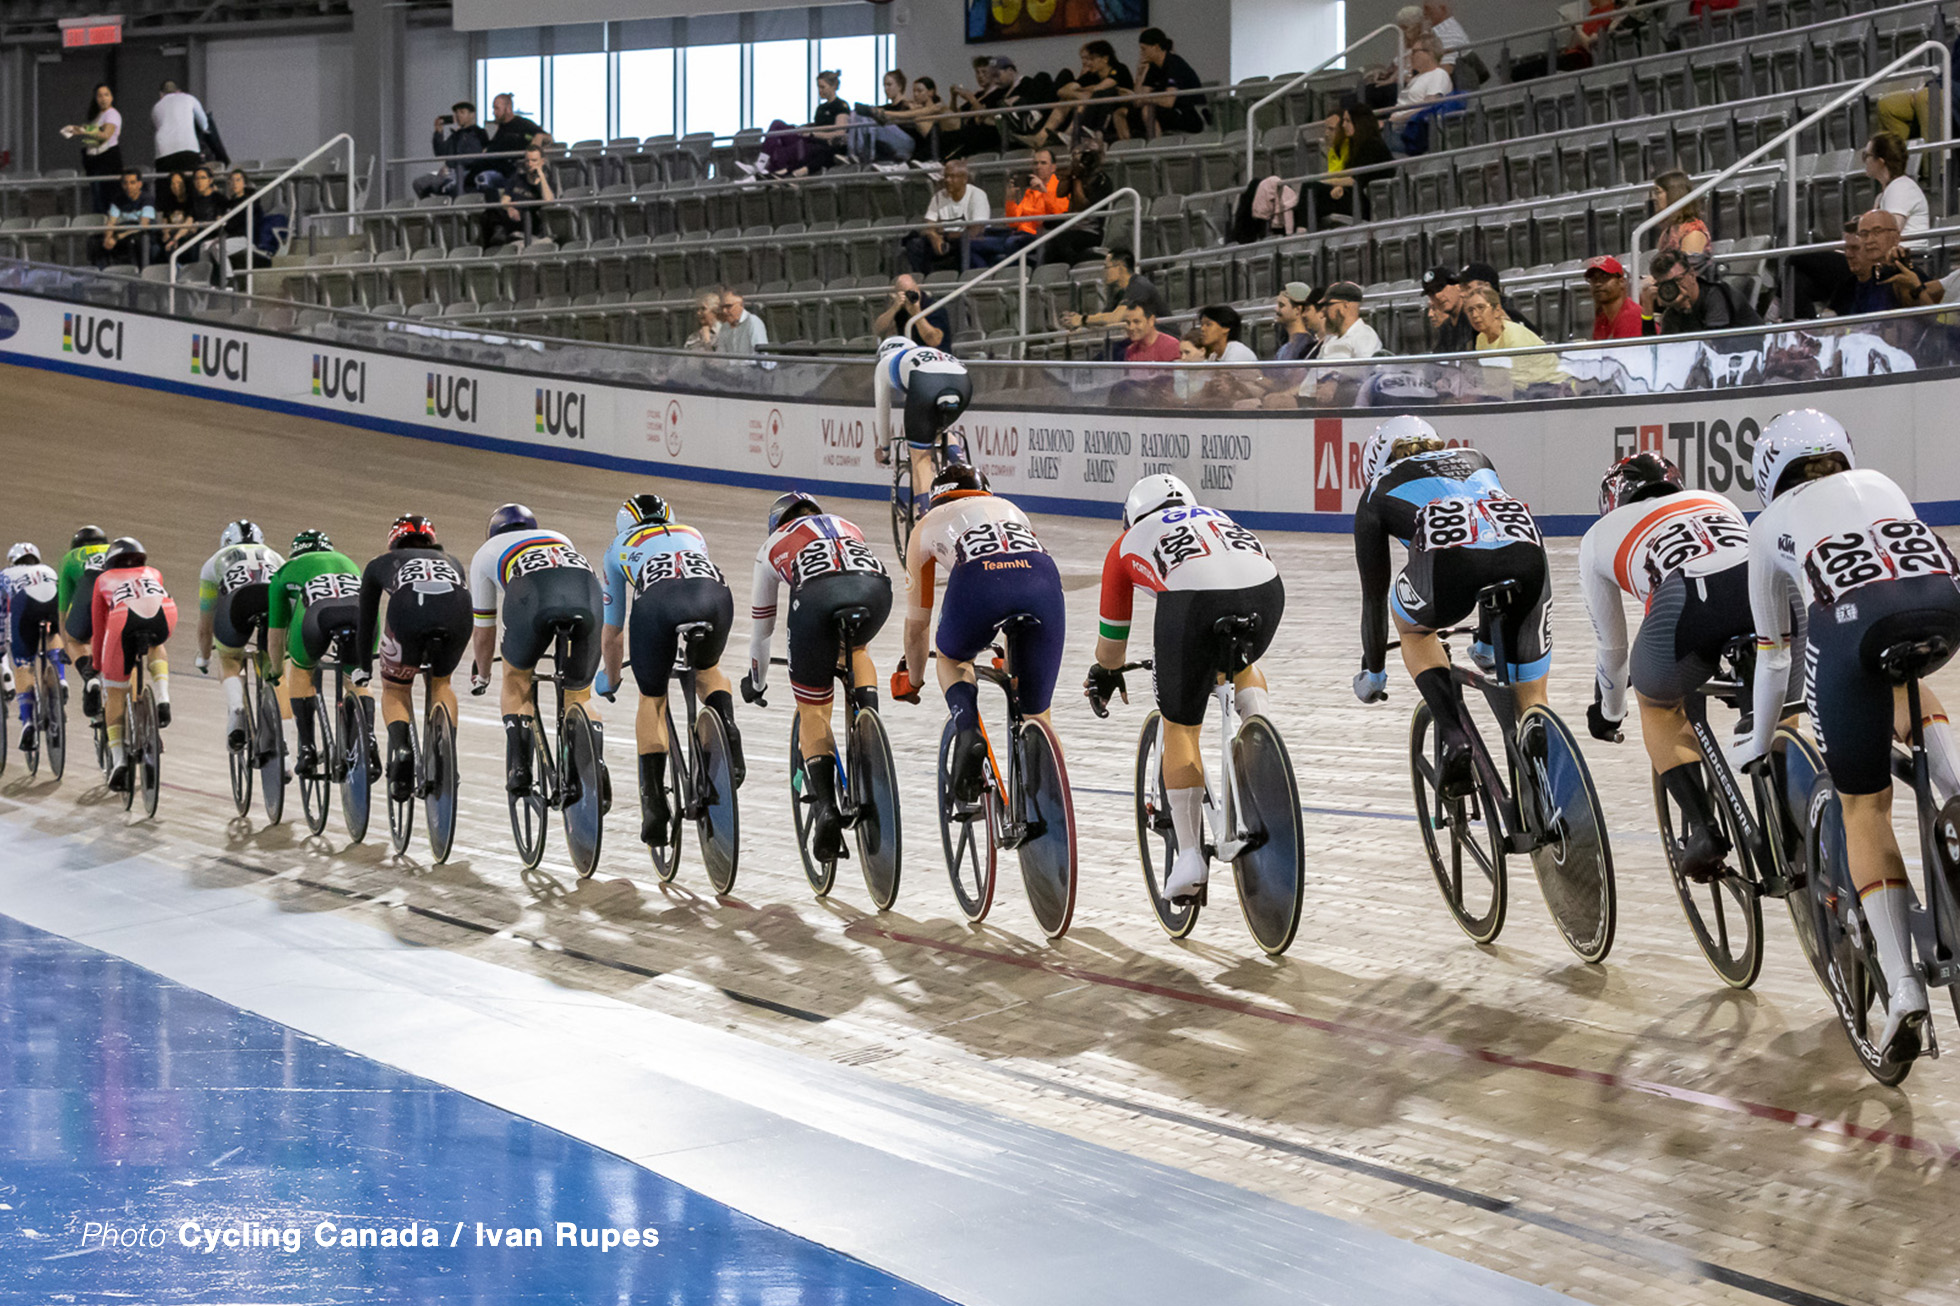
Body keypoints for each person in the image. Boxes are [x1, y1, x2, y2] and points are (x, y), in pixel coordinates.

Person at [1738, 409, 1960, 1065]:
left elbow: (1774, 657)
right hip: (1942, 603)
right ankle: (1955, 789)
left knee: (1865, 806)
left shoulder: (1768, 526)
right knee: (1907, 679)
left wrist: (1757, 744)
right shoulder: (1881, 482)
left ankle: (1902, 991)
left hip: (1851, 630)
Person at [1085, 474, 1283, 900]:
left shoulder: (1126, 545)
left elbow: (1112, 649)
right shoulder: (1214, 516)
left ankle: (1190, 857)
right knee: (1238, 662)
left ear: (1131, 518)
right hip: (1267, 590)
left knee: (1180, 723)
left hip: (1194, 602)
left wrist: (1104, 673)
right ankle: (1261, 734)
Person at [1352, 416, 1550, 799]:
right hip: (1529, 556)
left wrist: (1374, 672)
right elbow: (1490, 536)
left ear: (1376, 463)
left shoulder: (1376, 491)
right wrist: (1488, 643)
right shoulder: (1478, 457)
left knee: (1411, 625)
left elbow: (1373, 597)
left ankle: (1454, 736)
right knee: (1531, 695)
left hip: (1451, 569)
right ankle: (1539, 731)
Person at [1578, 453, 1754, 881]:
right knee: (1777, 695)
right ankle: (1797, 802)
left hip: (1685, 603)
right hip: (1758, 588)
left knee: (1657, 703)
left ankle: (1702, 828)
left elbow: (1614, 650)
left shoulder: (1599, 536)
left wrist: (1609, 712)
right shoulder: (1718, 500)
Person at [894, 464, 1066, 803]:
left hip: (977, 581)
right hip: (1043, 580)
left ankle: (968, 729)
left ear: (935, 500)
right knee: (1037, 711)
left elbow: (917, 624)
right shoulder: (1011, 509)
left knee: (952, 656)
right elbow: (1016, 572)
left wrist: (913, 680)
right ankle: (1050, 795)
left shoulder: (926, 525)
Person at [741, 493, 892, 864]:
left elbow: (762, 629)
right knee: (856, 649)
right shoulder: (846, 525)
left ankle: (825, 808)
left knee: (812, 708)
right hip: (875, 590)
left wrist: (757, 682)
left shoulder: (770, 546)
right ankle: (867, 721)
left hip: (816, 599)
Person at [597, 493, 744, 847]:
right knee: (708, 670)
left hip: (658, 605)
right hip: (715, 596)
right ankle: (728, 730)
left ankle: (654, 806)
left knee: (653, 697)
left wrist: (611, 678)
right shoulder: (692, 533)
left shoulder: (617, 548)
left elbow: (613, 632)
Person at [468, 504, 607, 799]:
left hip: (532, 595)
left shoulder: (486, 552)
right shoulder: (558, 537)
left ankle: (520, 768)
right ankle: (597, 763)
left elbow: (484, 630)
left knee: (516, 678)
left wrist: (482, 674)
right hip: (587, 594)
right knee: (579, 693)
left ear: (491, 533)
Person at [357, 515, 472, 803]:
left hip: (407, 612)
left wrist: (362, 666)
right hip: (458, 613)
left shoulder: (378, 563)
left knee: (396, 687)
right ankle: (446, 751)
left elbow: (366, 621)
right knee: (442, 683)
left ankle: (401, 749)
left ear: (393, 542)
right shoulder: (452, 561)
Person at [264, 530, 368, 783]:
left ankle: (308, 748)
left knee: (301, 670)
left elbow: (276, 634)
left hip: (317, 618)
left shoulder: (284, 572)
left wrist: (276, 671)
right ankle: (368, 740)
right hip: (361, 617)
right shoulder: (348, 561)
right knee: (357, 677)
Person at [92, 536, 176, 793]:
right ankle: (162, 696)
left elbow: (99, 626)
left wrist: (97, 664)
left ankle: (118, 759)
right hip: (165, 614)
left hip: (123, 620)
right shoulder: (154, 572)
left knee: (115, 688)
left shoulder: (102, 580)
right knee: (155, 644)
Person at [194, 520, 283, 752]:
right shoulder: (275, 556)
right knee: (274, 658)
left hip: (238, 603)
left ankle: (236, 708)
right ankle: (274, 697)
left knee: (230, 658)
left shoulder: (213, 563)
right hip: (273, 600)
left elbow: (206, 624)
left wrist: (204, 657)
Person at [873, 335, 973, 516]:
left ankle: (927, 517)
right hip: (963, 382)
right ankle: (964, 469)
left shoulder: (885, 364)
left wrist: (885, 450)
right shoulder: (928, 352)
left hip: (925, 383)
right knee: (936, 428)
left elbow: (883, 409)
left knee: (920, 458)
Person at [1, 543, 62, 756]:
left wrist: (2, 645)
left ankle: (27, 721)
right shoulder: (49, 570)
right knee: (52, 633)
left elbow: (2, 615)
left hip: (24, 607)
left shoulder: (5, 575)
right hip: (50, 604)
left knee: (23, 662)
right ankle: (60, 678)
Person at [971, 146, 1067, 264]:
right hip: (1018, 234)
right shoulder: (1031, 191)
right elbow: (1013, 222)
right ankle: (983, 277)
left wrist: (1044, 192)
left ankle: (1021, 274)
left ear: (1053, 167)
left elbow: (1057, 215)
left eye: (1043, 163)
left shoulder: (1061, 187)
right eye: (1035, 163)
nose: (1038, 167)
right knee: (972, 243)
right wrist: (1010, 200)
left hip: (1041, 235)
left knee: (1011, 243)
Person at [1466, 286, 1567, 396]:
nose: (1474, 315)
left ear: (1497, 310)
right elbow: (1491, 383)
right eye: (1470, 310)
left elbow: (1518, 387)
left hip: (1551, 389)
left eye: (1480, 308)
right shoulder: (1481, 339)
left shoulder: (1514, 337)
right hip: (1523, 391)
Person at [58, 525, 110, 720]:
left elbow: (63, 608)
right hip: (125, 600)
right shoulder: (114, 549)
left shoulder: (70, 559)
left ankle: (90, 678)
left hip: (89, 597)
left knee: (76, 641)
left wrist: (65, 646)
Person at [1846, 208, 1942, 314]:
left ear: (1896, 237)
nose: (1869, 240)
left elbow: (1929, 319)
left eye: (1877, 232)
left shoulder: (1908, 274)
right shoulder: (1860, 279)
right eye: (1864, 234)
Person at [904, 160, 991, 275]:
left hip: (967, 239)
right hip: (943, 239)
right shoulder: (939, 196)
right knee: (914, 244)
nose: (947, 180)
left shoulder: (977, 195)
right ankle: (925, 281)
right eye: (946, 176)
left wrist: (947, 235)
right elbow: (929, 224)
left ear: (964, 179)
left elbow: (976, 230)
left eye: (952, 177)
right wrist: (934, 236)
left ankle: (966, 279)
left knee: (965, 242)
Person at [1649, 249, 1762, 335]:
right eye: (1666, 285)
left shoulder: (1715, 296)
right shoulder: (1671, 314)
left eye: (1678, 280)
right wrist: (1647, 309)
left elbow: (1714, 347)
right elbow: (1658, 355)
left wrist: (1686, 310)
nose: (1673, 288)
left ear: (1692, 275)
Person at [1306, 281, 1382, 404]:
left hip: (1344, 401)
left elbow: (1366, 371)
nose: (1322, 313)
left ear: (1345, 306)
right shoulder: (1330, 339)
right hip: (1317, 399)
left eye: (1328, 305)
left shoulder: (1364, 335)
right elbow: (1311, 379)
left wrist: (1335, 380)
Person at [1316, 104, 1391, 223]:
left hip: (1366, 203)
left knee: (1313, 189)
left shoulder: (1372, 145)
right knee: (1311, 193)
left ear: (1360, 122)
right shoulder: (1355, 146)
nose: (1343, 125)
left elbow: (1356, 178)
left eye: (1348, 121)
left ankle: (1299, 231)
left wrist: (1326, 181)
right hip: (1353, 196)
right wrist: (1338, 186)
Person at [1062, 248, 1167, 330]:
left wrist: (1082, 320)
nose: (1104, 272)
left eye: (1107, 267)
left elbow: (1114, 318)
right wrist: (1075, 321)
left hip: (1161, 338)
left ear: (1120, 267)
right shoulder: (1118, 293)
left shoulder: (1139, 285)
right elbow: (1104, 318)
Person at [1136, 28, 1207, 138]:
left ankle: (1156, 149)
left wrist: (1148, 99)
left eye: (1144, 49)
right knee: (1131, 114)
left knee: (1148, 110)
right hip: (1171, 111)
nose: (1142, 53)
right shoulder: (1153, 67)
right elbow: (1139, 100)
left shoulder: (1174, 64)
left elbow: (1169, 101)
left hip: (1191, 114)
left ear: (1156, 47)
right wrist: (1140, 74)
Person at [1389, 37, 1455, 151]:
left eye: (1415, 52)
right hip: (1397, 127)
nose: (1411, 56)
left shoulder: (1438, 75)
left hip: (1411, 131)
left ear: (1430, 53)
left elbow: (1430, 107)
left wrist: (1397, 119)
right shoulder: (1417, 78)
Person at [64, 84, 123, 211]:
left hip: (107, 159)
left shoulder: (112, 114)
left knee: (106, 197)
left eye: (106, 95)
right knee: (97, 197)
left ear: (111, 97)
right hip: (94, 160)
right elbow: (93, 131)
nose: (103, 98)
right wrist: (76, 129)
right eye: (100, 95)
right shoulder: (98, 116)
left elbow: (105, 135)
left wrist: (84, 130)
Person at [416, 101, 490, 200]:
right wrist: (439, 132)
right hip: (449, 173)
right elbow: (440, 153)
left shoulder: (478, 133)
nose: (458, 115)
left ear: (472, 115)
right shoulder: (455, 135)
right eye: (457, 113)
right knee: (419, 184)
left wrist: (453, 165)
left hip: (466, 173)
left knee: (456, 180)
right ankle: (432, 209)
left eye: (462, 112)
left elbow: (474, 156)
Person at [483, 144, 554, 247]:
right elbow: (505, 199)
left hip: (529, 218)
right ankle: (493, 242)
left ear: (542, 161)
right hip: (512, 215)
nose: (530, 164)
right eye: (527, 160)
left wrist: (541, 176)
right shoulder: (517, 178)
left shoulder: (546, 182)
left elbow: (548, 201)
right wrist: (509, 208)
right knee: (489, 203)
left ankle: (501, 234)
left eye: (534, 160)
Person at [479, 92, 552, 191]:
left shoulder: (523, 124)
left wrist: (538, 138)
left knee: (483, 178)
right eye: (493, 108)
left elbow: (548, 137)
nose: (494, 112)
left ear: (508, 108)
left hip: (509, 173)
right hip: (493, 169)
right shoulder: (500, 129)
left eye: (497, 108)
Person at [1864, 130, 1929, 237]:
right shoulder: (1888, 191)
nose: (1864, 161)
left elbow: (1890, 234)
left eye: (1866, 156)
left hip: (1910, 252)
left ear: (1880, 161)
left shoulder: (1900, 188)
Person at [92, 171, 155, 269]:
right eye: (125, 183)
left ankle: (140, 272)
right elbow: (111, 222)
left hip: (139, 231)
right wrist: (107, 238)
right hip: (122, 229)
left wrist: (116, 237)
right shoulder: (117, 199)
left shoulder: (147, 199)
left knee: (137, 240)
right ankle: (102, 273)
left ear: (139, 184)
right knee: (95, 241)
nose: (128, 186)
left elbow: (143, 225)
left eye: (132, 182)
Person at [873, 273, 949, 348]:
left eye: (911, 292)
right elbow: (878, 331)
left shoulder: (933, 306)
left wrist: (916, 314)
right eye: (904, 293)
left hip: (935, 355)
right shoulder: (899, 307)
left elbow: (934, 341)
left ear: (917, 289)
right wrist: (893, 309)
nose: (908, 297)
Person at [151, 80, 209, 175]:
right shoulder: (189, 98)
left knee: (165, 185)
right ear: (178, 91)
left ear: (161, 94)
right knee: (189, 184)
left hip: (164, 151)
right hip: (188, 147)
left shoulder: (156, 107)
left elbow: (156, 126)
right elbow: (204, 123)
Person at [1583, 255, 1648, 339]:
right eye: (1593, 279)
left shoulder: (1631, 316)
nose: (1598, 284)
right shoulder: (1602, 317)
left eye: (1605, 277)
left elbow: (1624, 351)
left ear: (1622, 282)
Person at [1422, 266, 1476, 352]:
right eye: (1431, 293)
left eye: (1440, 288)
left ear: (1458, 285)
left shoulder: (1477, 319)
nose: (1437, 296)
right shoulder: (1446, 328)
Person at [713, 288, 768, 356]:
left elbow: (760, 357)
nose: (724, 311)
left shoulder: (753, 322)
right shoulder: (725, 327)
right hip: (732, 366)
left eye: (728, 306)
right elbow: (720, 355)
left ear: (741, 305)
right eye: (722, 307)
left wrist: (731, 362)